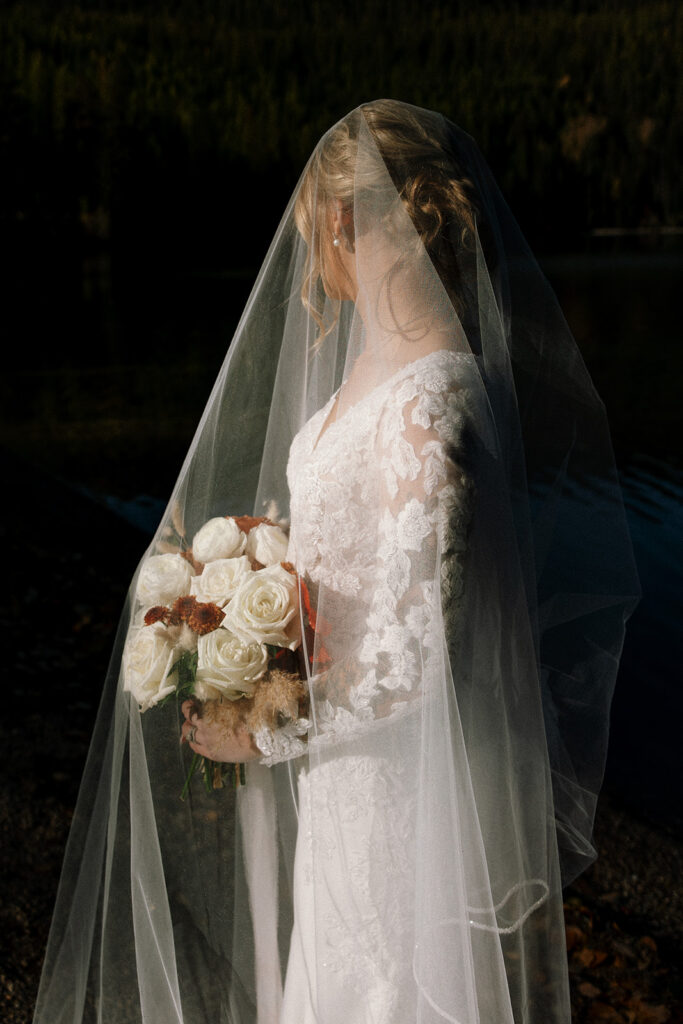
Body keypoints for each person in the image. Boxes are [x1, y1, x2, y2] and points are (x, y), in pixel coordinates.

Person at [33, 100, 639, 1024]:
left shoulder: (432, 400)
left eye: (311, 226)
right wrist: (256, 606)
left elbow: (419, 655)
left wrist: (262, 732)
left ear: (344, 220)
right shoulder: (373, 366)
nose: (310, 255)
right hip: (344, 784)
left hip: (394, 790)